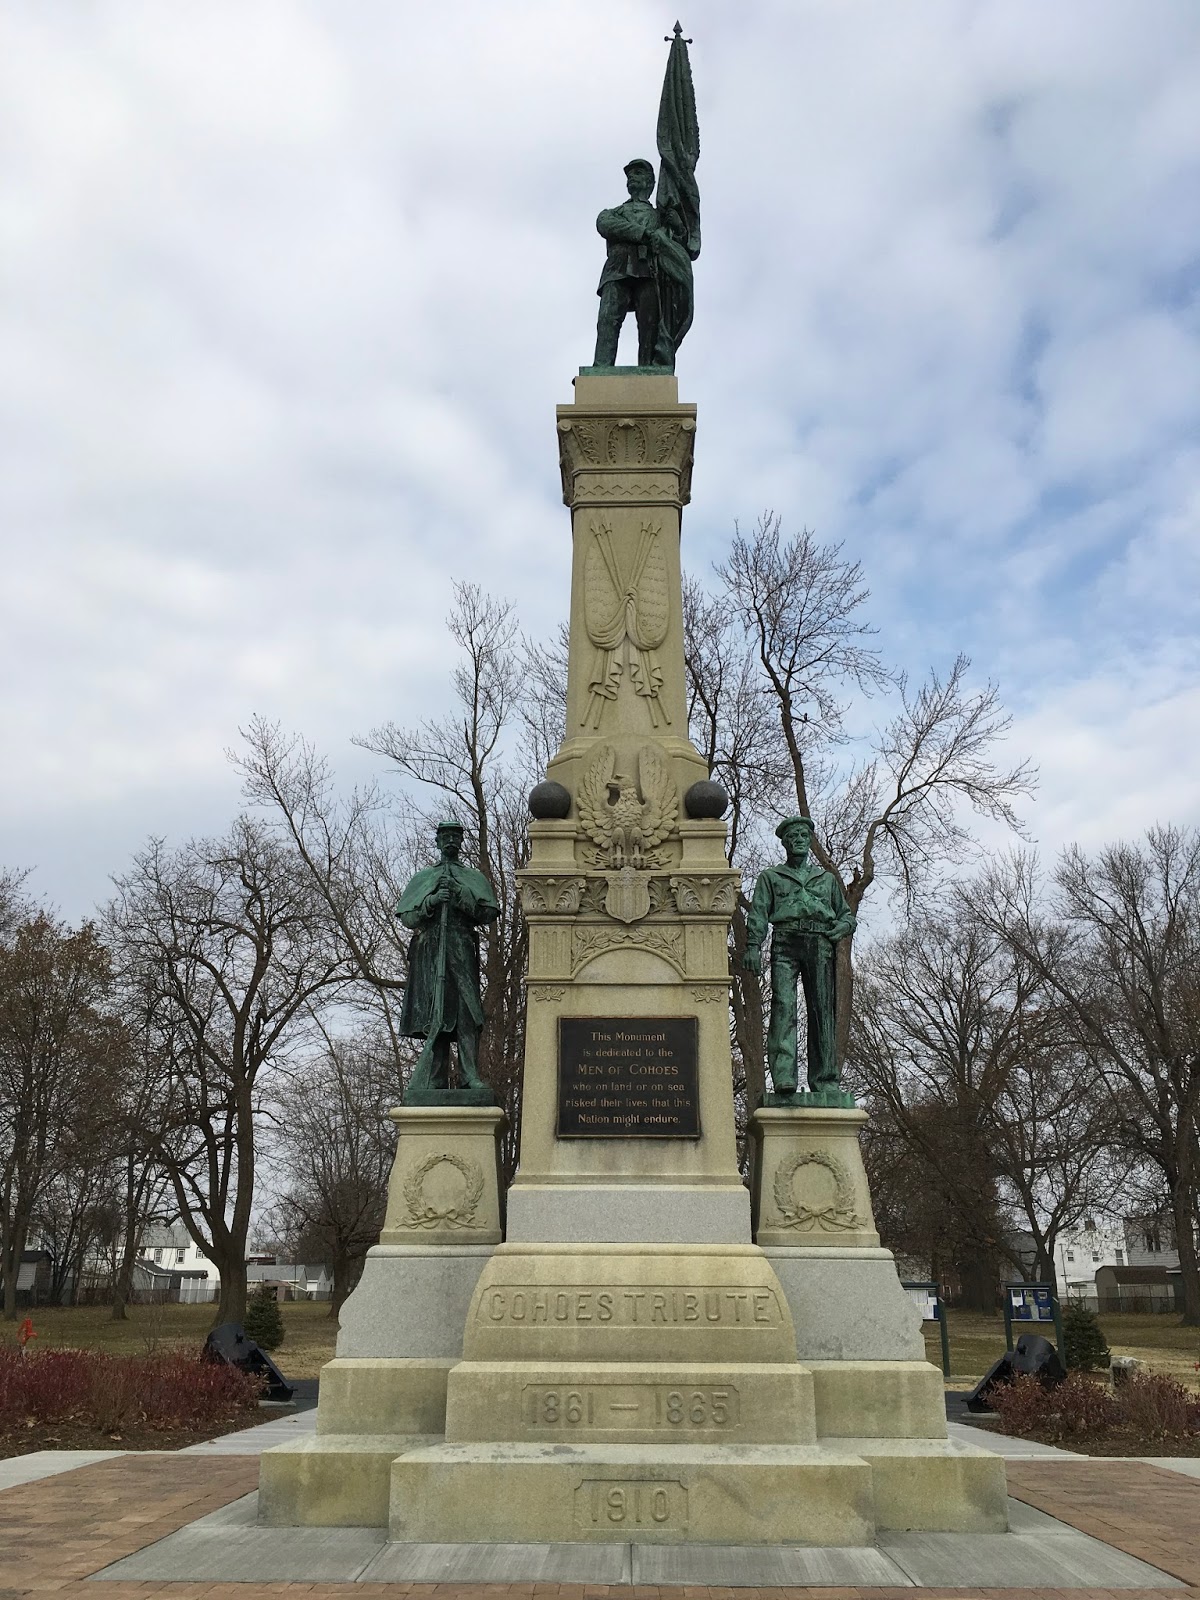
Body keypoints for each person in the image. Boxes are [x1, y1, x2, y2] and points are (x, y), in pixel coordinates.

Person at [742, 816, 857, 1095]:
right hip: (785, 940)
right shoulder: (771, 877)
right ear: (784, 843)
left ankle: (825, 1080)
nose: (798, 841)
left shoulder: (826, 879)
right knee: (783, 1005)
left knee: (822, 1010)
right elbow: (758, 913)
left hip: (820, 942)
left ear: (809, 841)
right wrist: (753, 946)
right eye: (792, 837)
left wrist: (839, 929)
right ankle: (784, 1075)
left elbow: (846, 917)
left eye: (803, 836)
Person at [396, 820, 499, 1098]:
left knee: (467, 1011)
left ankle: (469, 1076)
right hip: (430, 949)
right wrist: (430, 902)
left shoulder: (472, 877)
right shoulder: (423, 878)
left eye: (456, 836)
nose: (451, 840)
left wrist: (458, 892)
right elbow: (407, 917)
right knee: (435, 1011)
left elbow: (488, 913)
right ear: (438, 841)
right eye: (446, 836)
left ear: (461, 842)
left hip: (460, 944)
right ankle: (434, 1079)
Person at [593, 158, 667, 368]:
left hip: (649, 271)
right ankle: (601, 366)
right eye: (630, 175)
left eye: (638, 173)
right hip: (617, 268)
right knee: (608, 320)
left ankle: (649, 369)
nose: (632, 177)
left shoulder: (659, 216)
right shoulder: (612, 212)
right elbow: (604, 224)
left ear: (650, 182)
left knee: (649, 325)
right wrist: (642, 233)